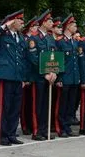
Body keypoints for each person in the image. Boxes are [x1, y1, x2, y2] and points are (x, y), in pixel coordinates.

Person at [0, 10, 27, 146]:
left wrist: (23, 78)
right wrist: (5, 26)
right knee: (6, 107)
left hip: (17, 76)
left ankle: (12, 134)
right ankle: (4, 136)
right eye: (20, 21)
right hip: (6, 75)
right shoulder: (2, 35)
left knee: (16, 108)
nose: (22, 23)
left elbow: (22, 58)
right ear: (13, 22)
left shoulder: (21, 37)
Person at [27, 9, 58, 141]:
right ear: (43, 22)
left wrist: (54, 72)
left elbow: (54, 56)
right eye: (50, 21)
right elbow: (33, 58)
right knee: (37, 105)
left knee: (46, 105)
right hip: (39, 77)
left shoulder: (50, 38)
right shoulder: (33, 38)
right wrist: (45, 73)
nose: (52, 23)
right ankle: (36, 131)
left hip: (49, 77)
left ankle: (44, 129)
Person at [55, 14, 82, 137]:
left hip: (74, 78)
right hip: (65, 78)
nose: (76, 27)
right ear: (68, 26)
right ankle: (61, 127)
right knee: (63, 104)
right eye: (74, 25)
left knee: (71, 104)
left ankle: (68, 126)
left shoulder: (74, 42)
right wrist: (59, 78)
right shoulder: (60, 42)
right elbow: (58, 61)